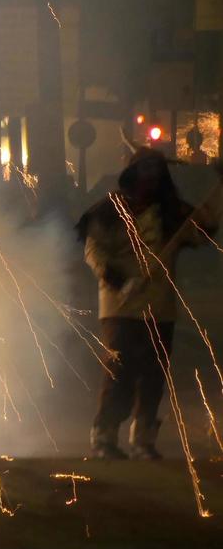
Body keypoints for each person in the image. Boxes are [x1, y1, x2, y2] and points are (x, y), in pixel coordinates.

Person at [78, 146, 217, 459]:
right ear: (133, 173)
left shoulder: (172, 212)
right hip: (120, 306)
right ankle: (105, 436)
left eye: (156, 170)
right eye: (146, 169)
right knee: (120, 370)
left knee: (154, 374)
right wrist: (115, 277)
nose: (151, 176)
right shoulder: (110, 210)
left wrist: (211, 206)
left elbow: (202, 231)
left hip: (160, 307)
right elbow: (94, 249)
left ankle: (143, 439)